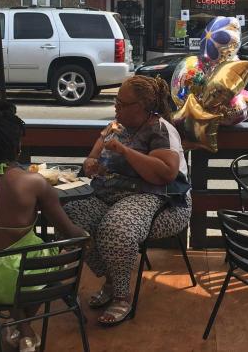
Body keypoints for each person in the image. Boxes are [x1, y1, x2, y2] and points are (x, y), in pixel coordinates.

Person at [0, 102, 87, 352]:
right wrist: (86, 237)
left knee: (2, 268)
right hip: (28, 281)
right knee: (43, 262)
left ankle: (20, 327)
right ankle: (23, 326)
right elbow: (68, 231)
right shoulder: (35, 183)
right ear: (19, 146)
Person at [64, 75, 191, 326]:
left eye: (122, 103)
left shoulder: (160, 129)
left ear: (142, 106)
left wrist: (125, 152)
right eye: (116, 102)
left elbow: (165, 173)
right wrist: (91, 164)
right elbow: (94, 155)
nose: (116, 107)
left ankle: (121, 295)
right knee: (69, 218)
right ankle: (112, 277)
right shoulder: (115, 125)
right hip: (109, 193)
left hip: (152, 196)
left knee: (116, 229)